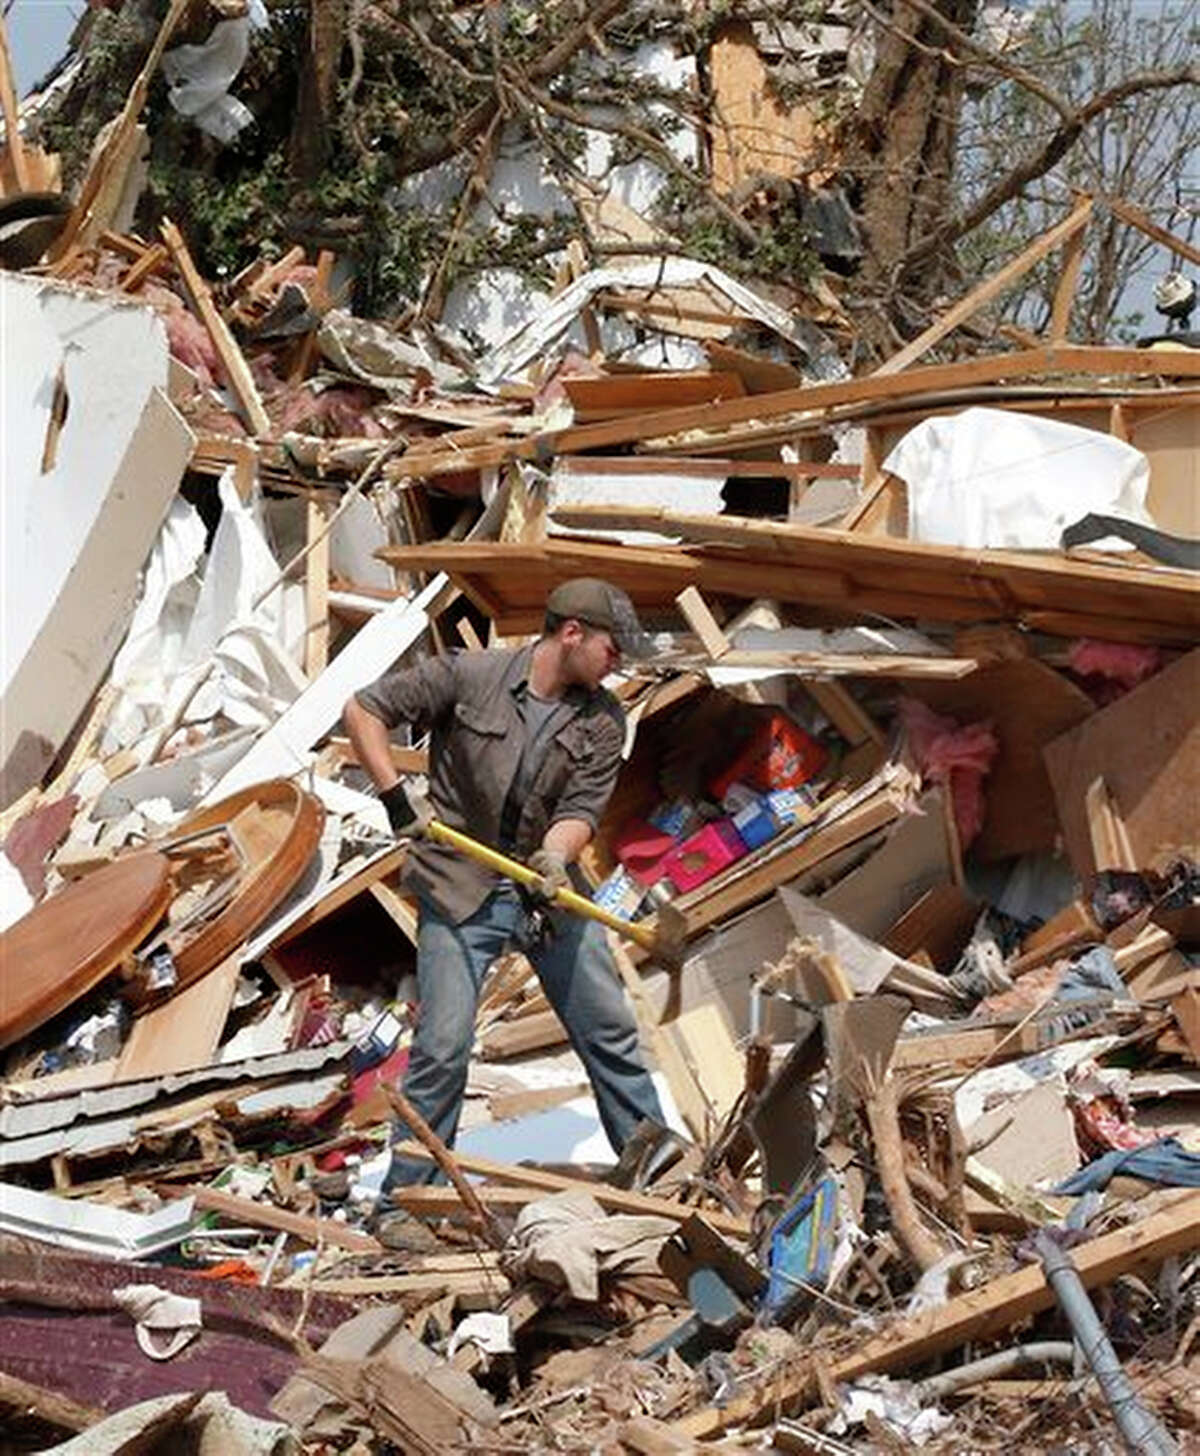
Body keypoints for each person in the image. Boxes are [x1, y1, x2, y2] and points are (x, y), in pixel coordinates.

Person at [343, 577, 666, 1204]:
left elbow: (581, 807)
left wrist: (555, 855)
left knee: (610, 1031)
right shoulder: (471, 675)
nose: (618, 663)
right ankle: (409, 1201)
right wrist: (392, 794)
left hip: (544, 890)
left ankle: (658, 1172)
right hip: (461, 886)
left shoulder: (604, 719)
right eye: (612, 648)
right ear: (572, 633)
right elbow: (363, 709)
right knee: (442, 1046)